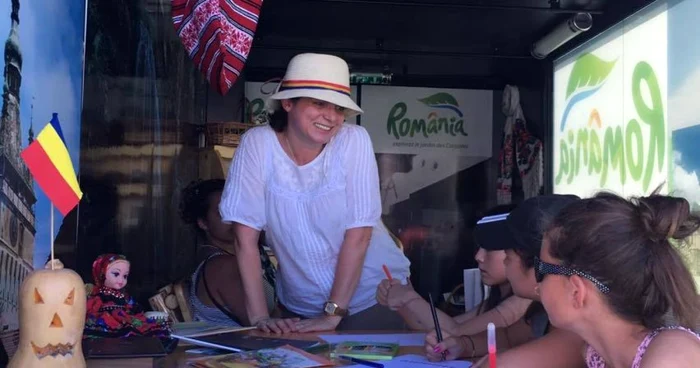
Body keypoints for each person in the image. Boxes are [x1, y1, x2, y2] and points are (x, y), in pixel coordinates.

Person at [220, 53, 411, 333]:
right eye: (319, 103)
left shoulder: (353, 140)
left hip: (374, 295)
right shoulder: (257, 145)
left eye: (338, 108)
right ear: (287, 102)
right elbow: (244, 238)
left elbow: (359, 235)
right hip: (299, 303)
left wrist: (332, 314)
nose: (331, 117)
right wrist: (260, 317)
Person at [538, 192, 700, 367]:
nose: (537, 288)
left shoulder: (671, 357)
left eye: (541, 271)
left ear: (576, 291)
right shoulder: (595, 356)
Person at [424, 194, 581, 361]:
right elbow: (508, 336)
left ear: (540, 265)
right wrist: (464, 345)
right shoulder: (543, 312)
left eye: (508, 256)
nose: (506, 264)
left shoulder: (577, 327)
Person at [376, 204, 531, 334]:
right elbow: (432, 328)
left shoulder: (522, 302)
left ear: (520, 253)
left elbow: (455, 333)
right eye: (479, 247)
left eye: (489, 248)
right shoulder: (495, 299)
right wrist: (400, 301)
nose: (478, 256)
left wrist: (409, 297)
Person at [180, 179, 277, 326]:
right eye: (224, 212)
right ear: (203, 223)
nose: (235, 219)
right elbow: (265, 326)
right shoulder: (223, 266)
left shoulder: (225, 260)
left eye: (240, 210)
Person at [84, 254, 170, 338]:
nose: (121, 280)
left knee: (145, 327)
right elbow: (91, 308)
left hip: (126, 319)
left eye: (125, 276)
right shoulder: (99, 295)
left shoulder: (124, 295)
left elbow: (133, 306)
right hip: (109, 321)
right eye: (116, 274)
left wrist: (136, 311)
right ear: (101, 273)